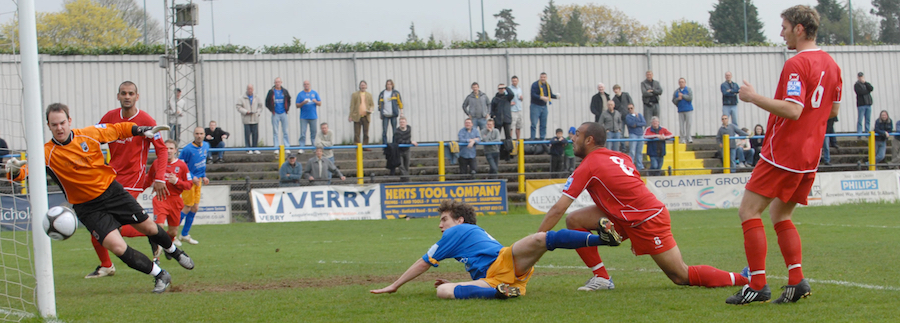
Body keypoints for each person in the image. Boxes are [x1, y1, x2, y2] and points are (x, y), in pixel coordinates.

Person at [537, 122, 748, 292]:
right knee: (575, 220)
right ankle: (601, 278)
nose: (573, 138)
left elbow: (558, 208)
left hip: (648, 220)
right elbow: (630, 187)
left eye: (578, 135)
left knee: (680, 276)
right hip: (630, 216)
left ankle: (743, 278)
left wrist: (535, 240)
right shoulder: (620, 156)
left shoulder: (589, 165)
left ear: (589, 140)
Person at [12, 103, 193, 293]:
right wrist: (14, 171)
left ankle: (175, 251)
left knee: (148, 226)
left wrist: (141, 130)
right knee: (117, 247)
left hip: (111, 192)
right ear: (48, 126)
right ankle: (159, 274)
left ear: (69, 121)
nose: (59, 128)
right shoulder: (46, 153)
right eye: (54, 124)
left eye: (62, 123)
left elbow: (118, 129)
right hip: (87, 208)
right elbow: (24, 171)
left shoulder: (89, 134)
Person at [729, 5, 842, 304]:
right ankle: (796, 281)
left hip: (783, 152)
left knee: (748, 211)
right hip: (809, 156)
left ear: (799, 28)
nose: (782, 32)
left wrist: (753, 97)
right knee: (780, 213)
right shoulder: (832, 65)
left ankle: (757, 285)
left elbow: (793, 109)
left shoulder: (796, 64)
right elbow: (833, 110)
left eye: (784, 26)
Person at [370, 200, 618, 299]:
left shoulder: (456, 232)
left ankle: (604, 238)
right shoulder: (469, 235)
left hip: (503, 261)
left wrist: (395, 285)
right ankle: (603, 239)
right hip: (504, 277)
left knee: (443, 293)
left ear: (459, 221)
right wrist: (461, 284)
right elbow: (478, 264)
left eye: (444, 219)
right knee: (542, 239)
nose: (440, 225)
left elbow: (423, 262)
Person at [89, 81, 170, 279]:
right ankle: (106, 265)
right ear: (118, 96)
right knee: (96, 228)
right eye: (124, 93)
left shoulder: (146, 120)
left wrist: (160, 177)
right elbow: (95, 139)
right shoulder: (109, 117)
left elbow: (162, 149)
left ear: (137, 96)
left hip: (133, 180)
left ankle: (154, 234)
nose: (127, 96)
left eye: (130, 93)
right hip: (110, 177)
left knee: (110, 227)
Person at [143, 139, 193, 259]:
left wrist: (177, 181)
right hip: (160, 198)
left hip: (175, 200)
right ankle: (156, 258)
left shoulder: (182, 165)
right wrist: (135, 191)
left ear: (176, 150)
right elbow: (148, 180)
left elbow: (189, 185)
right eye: (166, 148)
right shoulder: (157, 163)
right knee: (158, 228)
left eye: (171, 148)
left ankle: (167, 247)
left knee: (173, 232)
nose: (169, 151)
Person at [178, 127, 210, 245]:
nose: (199, 136)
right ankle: (172, 234)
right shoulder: (187, 149)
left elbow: (202, 163)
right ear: (193, 135)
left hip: (199, 181)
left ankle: (184, 234)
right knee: (187, 207)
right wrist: (192, 177)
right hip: (189, 182)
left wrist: (204, 176)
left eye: (201, 133)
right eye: (197, 133)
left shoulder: (206, 146)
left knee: (195, 208)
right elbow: (181, 165)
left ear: (204, 134)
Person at [265, 77, 291, 154]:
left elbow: (289, 100)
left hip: (283, 113)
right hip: (275, 113)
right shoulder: (271, 91)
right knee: (275, 131)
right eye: (276, 82)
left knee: (285, 131)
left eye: (279, 82)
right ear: (274, 83)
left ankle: (287, 147)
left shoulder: (285, 91)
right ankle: (276, 147)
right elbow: (267, 102)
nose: (277, 83)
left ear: (281, 82)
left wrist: (287, 109)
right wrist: (272, 109)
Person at [530, 72, 558, 139]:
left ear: (546, 78)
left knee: (543, 125)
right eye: (541, 77)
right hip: (535, 106)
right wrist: (542, 97)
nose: (543, 78)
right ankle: (532, 140)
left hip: (544, 107)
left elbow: (550, 95)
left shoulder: (547, 86)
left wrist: (556, 96)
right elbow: (533, 95)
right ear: (540, 77)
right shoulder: (535, 85)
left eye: (544, 77)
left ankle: (542, 140)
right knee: (534, 124)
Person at [236, 84, 263, 154]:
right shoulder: (241, 97)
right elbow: (238, 107)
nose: (250, 90)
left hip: (255, 118)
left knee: (255, 134)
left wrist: (258, 112)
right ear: (247, 89)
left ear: (253, 89)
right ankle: (248, 148)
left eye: (251, 89)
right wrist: (245, 111)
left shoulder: (257, 97)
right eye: (248, 89)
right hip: (246, 119)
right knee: (247, 135)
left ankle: (255, 148)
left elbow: (260, 106)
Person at [296, 80, 322, 151]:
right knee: (302, 133)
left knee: (314, 133)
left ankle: (314, 147)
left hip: (313, 116)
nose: (306, 85)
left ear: (309, 85)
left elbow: (320, 103)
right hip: (303, 117)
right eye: (305, 84)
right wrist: (303, 103)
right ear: (303, 85)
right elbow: (297, 105)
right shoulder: (300, 94)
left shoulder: (314, 93)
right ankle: (302, 147)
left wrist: (315, 101)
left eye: (307, 84)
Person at [349, 80, 375, 150]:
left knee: (366, 133)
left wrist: (371, 109)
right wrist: (350, 116)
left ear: (366, 86)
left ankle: (365, 146)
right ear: (359, 86)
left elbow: (372, 105)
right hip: (357, 116)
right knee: (357, 133)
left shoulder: (369, 95)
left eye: (364, 85)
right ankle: (357, 146)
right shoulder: (355, 94)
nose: (363, 86)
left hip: (366, 116)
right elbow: (352, 105)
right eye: (362, 85)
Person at [378, 80, 403, 145]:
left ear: (392, 85)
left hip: (393, 114)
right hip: (385, 115)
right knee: (384, 130)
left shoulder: (396, 93)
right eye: (387, 84)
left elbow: (400, 103)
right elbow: (380, 104)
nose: (389, 86)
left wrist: (401, 112)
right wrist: (380, 113)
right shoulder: (382, 93)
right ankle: (385, 144)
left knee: (394, 130)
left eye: (390, 84)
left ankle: (394, 143)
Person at [393, 116, 417, 182]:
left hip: (407, 150)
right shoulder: (397, 132)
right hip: (399, 150)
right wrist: (410, 142)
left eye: (403, 122)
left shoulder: (409, 128)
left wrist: (408, 141)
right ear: (399, 123)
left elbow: (407, 138)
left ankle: (403, 180)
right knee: (401, 166)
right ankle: (408, 179)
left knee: (406, 166)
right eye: (401, 122)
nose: (402, 123)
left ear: (406, 123)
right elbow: (400, 141)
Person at [672, 78, 694, 144]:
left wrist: (683, 96)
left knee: (688, 124)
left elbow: (690, 98)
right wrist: (678, 99)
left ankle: (689, 137)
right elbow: (673, 100)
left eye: (682, 82)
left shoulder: (688, 90)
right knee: (681, 125)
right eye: (680, 82)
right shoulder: (676, 91)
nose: (681, 83)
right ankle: (682, 138)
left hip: (688, 109)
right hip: (680, 110)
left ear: (685, 83)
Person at [625, 105, 646, 170]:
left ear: (634, 108)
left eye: (631, 108)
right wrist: (637, 120)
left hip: (640, 134)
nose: (630, 109)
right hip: (633, 134)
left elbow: (644, 123)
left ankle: (640, 166)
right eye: (629, 108)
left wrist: (637, 123)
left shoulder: (639, 115)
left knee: (639, 151)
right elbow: (631, 124)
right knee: (632, 151)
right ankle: (631, 165)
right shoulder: (628, 116)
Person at [854, 72, 873, 137]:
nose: (860, 78)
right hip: (861, 105)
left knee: (868, 120)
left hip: (868, 104)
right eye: (859, 76)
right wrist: (867, 91)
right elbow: (860, 92)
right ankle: (859, 134)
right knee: (860, 119)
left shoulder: (866, 84)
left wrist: (865, 83)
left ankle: (867, 133)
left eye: (861, 76)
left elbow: (871, 88)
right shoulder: (856, 85)